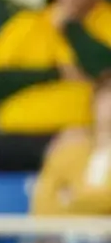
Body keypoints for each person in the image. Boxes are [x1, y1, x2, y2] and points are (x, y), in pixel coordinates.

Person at [0, 0, 111, 176]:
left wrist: (70, 26)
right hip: (14, 135)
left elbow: (104, 68)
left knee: (70, 148)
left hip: (83, 134)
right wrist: (56, 74)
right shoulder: (24, 24)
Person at [31, 72, 111, 215]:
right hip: (65, 235)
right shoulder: (67, 151)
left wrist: (72, 199)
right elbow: (43, 206)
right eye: (106, 96)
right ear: (94, 103)